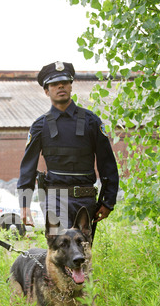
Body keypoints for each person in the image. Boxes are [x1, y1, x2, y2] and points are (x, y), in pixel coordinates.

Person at [17, 61, 119, 233]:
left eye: (64, 82)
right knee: (61, 250)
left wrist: (108, 201)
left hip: (85, 198)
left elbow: (107, 164)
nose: (60, 86)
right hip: (55, 199)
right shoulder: (40, 126)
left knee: (81, 253)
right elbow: (28, 167)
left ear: (71, 86)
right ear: (46, 91)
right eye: (54, 84)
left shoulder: (91, 122)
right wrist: (24, 204)